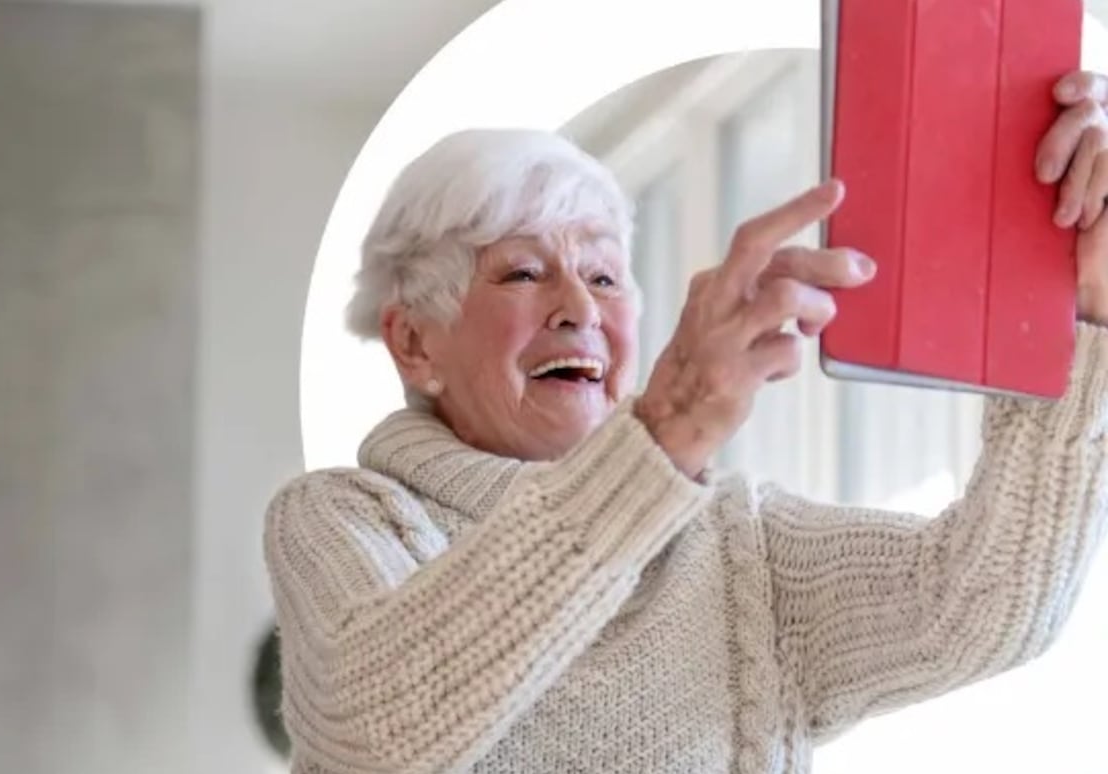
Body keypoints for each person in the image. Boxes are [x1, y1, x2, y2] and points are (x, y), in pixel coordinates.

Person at [262, 69, 1108, 773]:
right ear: (414, 342)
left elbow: (991, 607)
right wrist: (664, 435)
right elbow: (381, 725)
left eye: (603, 277)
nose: (578, 308)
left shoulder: (739, 547)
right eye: (522, 273)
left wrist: (1082, 310)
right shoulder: (341, 519)